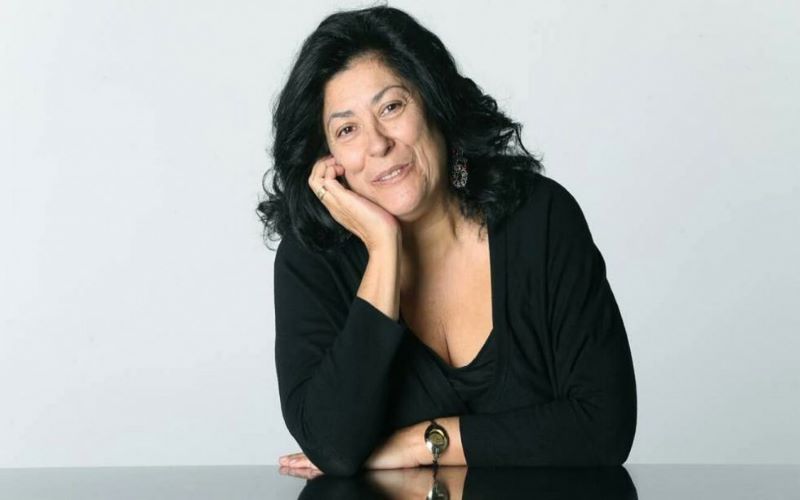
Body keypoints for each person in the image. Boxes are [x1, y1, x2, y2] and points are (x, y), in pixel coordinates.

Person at [256, 5, 637, 477]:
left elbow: (605, 429)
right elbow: (333, 447)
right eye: (347, 129)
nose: (377, 144)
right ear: (327, 158)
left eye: (391, 107)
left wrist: (424, 443)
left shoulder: (540, 218)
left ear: (434, 104)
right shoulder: (311, 260)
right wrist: (384, 249)